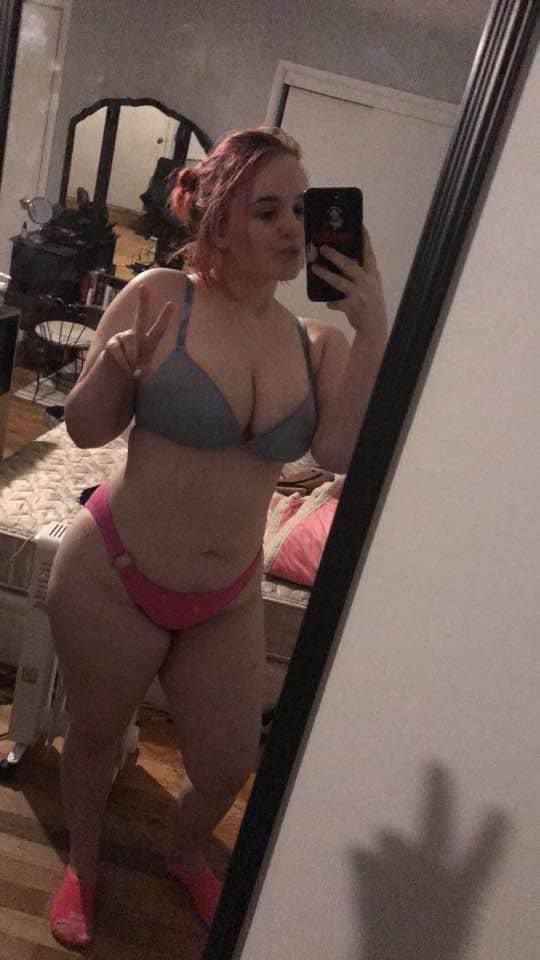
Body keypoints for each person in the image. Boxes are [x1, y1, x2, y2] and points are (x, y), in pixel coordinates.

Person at [46, 126, 388, 948]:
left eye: (301, 209)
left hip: (226, 595)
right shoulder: (162, 296)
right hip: (113, 573)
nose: (292, 227)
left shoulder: (316, 342)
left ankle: (185, 851)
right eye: (268, 210)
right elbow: (88, 431)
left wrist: (374, 326)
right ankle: (82, 865)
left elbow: (338, 452)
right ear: (220, 221)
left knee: (230, 761)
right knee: (94, 736)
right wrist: (111, 369)